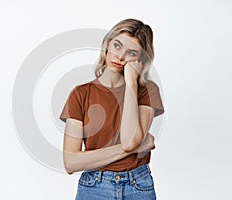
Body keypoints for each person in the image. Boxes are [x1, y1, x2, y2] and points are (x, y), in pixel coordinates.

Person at [59, 18, 165, 200]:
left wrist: (131, 83)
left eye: (131, 53)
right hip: (94, 185)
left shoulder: (147, 90)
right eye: (117, 46)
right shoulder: (80, 94)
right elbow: (71, 162)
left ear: (140, 59)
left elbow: (130, 140)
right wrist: (133, 149)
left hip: (137, 185)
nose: (120, 56)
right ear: (107, 44)